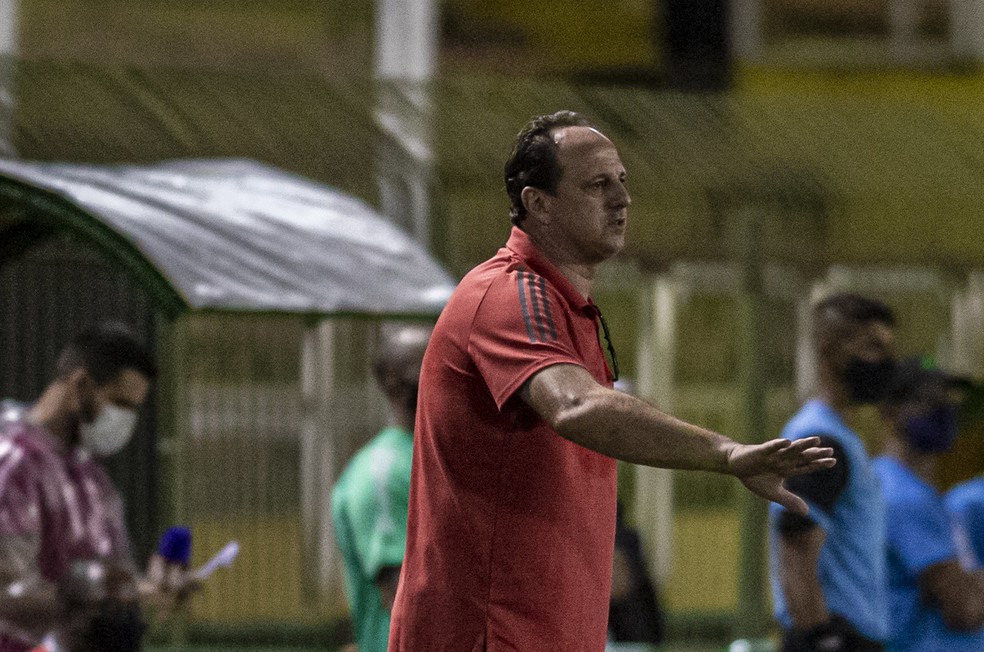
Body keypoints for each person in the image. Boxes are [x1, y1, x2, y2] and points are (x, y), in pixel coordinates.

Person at [387, 110, 835, 651]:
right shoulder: (511, 293)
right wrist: (727, 454)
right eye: (597, 184)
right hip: (491, 636)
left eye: (622, 181)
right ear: (539, 203)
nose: (621, 199)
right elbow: (576, 408)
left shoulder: (563, 307)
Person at [0, 322, 190, 651]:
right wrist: (92, 593)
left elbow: (109, 575)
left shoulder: (91, 477)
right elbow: (8, 594)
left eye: (134, 408)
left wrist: (146, 586)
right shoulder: (15, 461)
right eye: (120, 403)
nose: (126, 419)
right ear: (81, 385)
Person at [768, 293, 897, 652]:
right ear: (829, 351)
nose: (884, 362)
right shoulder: (823, 439)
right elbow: (795, 549)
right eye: (872, 347)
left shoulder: (839, 436)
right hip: (833, 637)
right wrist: (822, 638)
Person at [873, 358, 984, 652]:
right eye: (928, 401)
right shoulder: (902, 496)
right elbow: (964, 609)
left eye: (948, 400)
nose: (943, 410)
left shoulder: (920, 493)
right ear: (891, 411)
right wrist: (969, 585)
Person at [331, 325, 430, 652]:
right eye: (428, 365)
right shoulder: (383, 472)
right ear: (393, 383)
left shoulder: (435, 456)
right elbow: (404, 598)